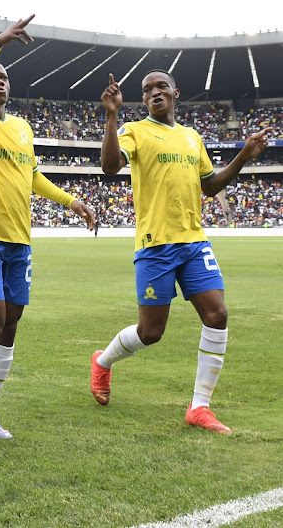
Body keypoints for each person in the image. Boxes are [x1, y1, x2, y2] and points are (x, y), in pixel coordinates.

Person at [90, 70, 273, 433]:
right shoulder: (134, 131)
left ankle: (199, 408)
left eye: (160, 87)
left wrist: (244, 155)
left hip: (193, 242)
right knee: (151, 332)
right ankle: (103, 361)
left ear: (175, 92)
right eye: (146, 91)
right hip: (155, 246)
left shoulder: (192, 137)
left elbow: (210, 186)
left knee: (217, 314)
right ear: (143, 101)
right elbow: (110, 166)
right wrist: (111, 115)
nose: (154, 93)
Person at [0, 17, 95, 442]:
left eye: (4, 78)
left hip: (19, 241)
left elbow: (34, 178)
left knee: (11, 324)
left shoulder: (22, 128)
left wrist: (74, 202)